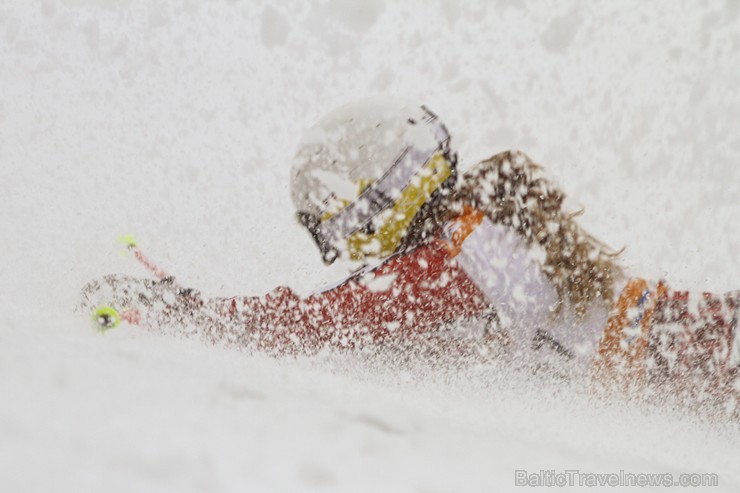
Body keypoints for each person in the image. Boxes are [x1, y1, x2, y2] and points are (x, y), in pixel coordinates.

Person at [86, 99, 740, 416]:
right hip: (698, 342)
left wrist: (189, 312)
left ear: (385, 193)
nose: (346, 233)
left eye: (346, 209)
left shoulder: (449, 262)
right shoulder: (477, 227)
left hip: (699, 359)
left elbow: (321, 324)